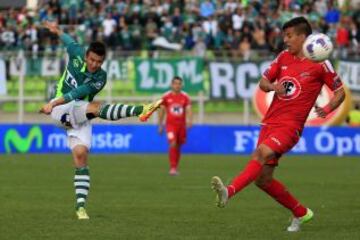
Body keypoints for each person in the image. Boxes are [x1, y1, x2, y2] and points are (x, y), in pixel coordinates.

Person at [211, 17, 346, 232]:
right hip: (269, 123)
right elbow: (263, 83)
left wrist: (327, 109)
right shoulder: (283, 57)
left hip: (290, 126)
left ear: (304, 37)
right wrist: (274, 86)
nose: (285, 40)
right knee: (263, 180)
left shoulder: (321, 62)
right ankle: (301, 213)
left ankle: (229, 191)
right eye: (285, 35)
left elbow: (340, 92)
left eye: (289, 35)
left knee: (260, 154)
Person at [39, 21, 162, 220]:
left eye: (99, 62)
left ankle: (80, 207)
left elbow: (79, 92)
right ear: (86, 55)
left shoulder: (100, 77)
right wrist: (57, 30)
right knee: (96, 108)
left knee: (81, 156)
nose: (95, 65)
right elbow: (68, 42)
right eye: (93, 60)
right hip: (60, 108)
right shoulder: (77, 53)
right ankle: (141, 110)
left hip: (77, 112)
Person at [158, 76, 193, 176]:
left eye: (179, 84)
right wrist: (160, 125)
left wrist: (190, 120)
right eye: (175, 83)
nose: (177, 86)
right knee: (172, 143)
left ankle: (175, 167)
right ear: (172, 84)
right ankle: (172, 168)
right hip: (170, 125)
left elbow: (189, 109)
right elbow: (162, 110)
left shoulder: (185, 97)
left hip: (181, 126)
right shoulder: (166, 96)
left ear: (181, 85)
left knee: (178, 146)